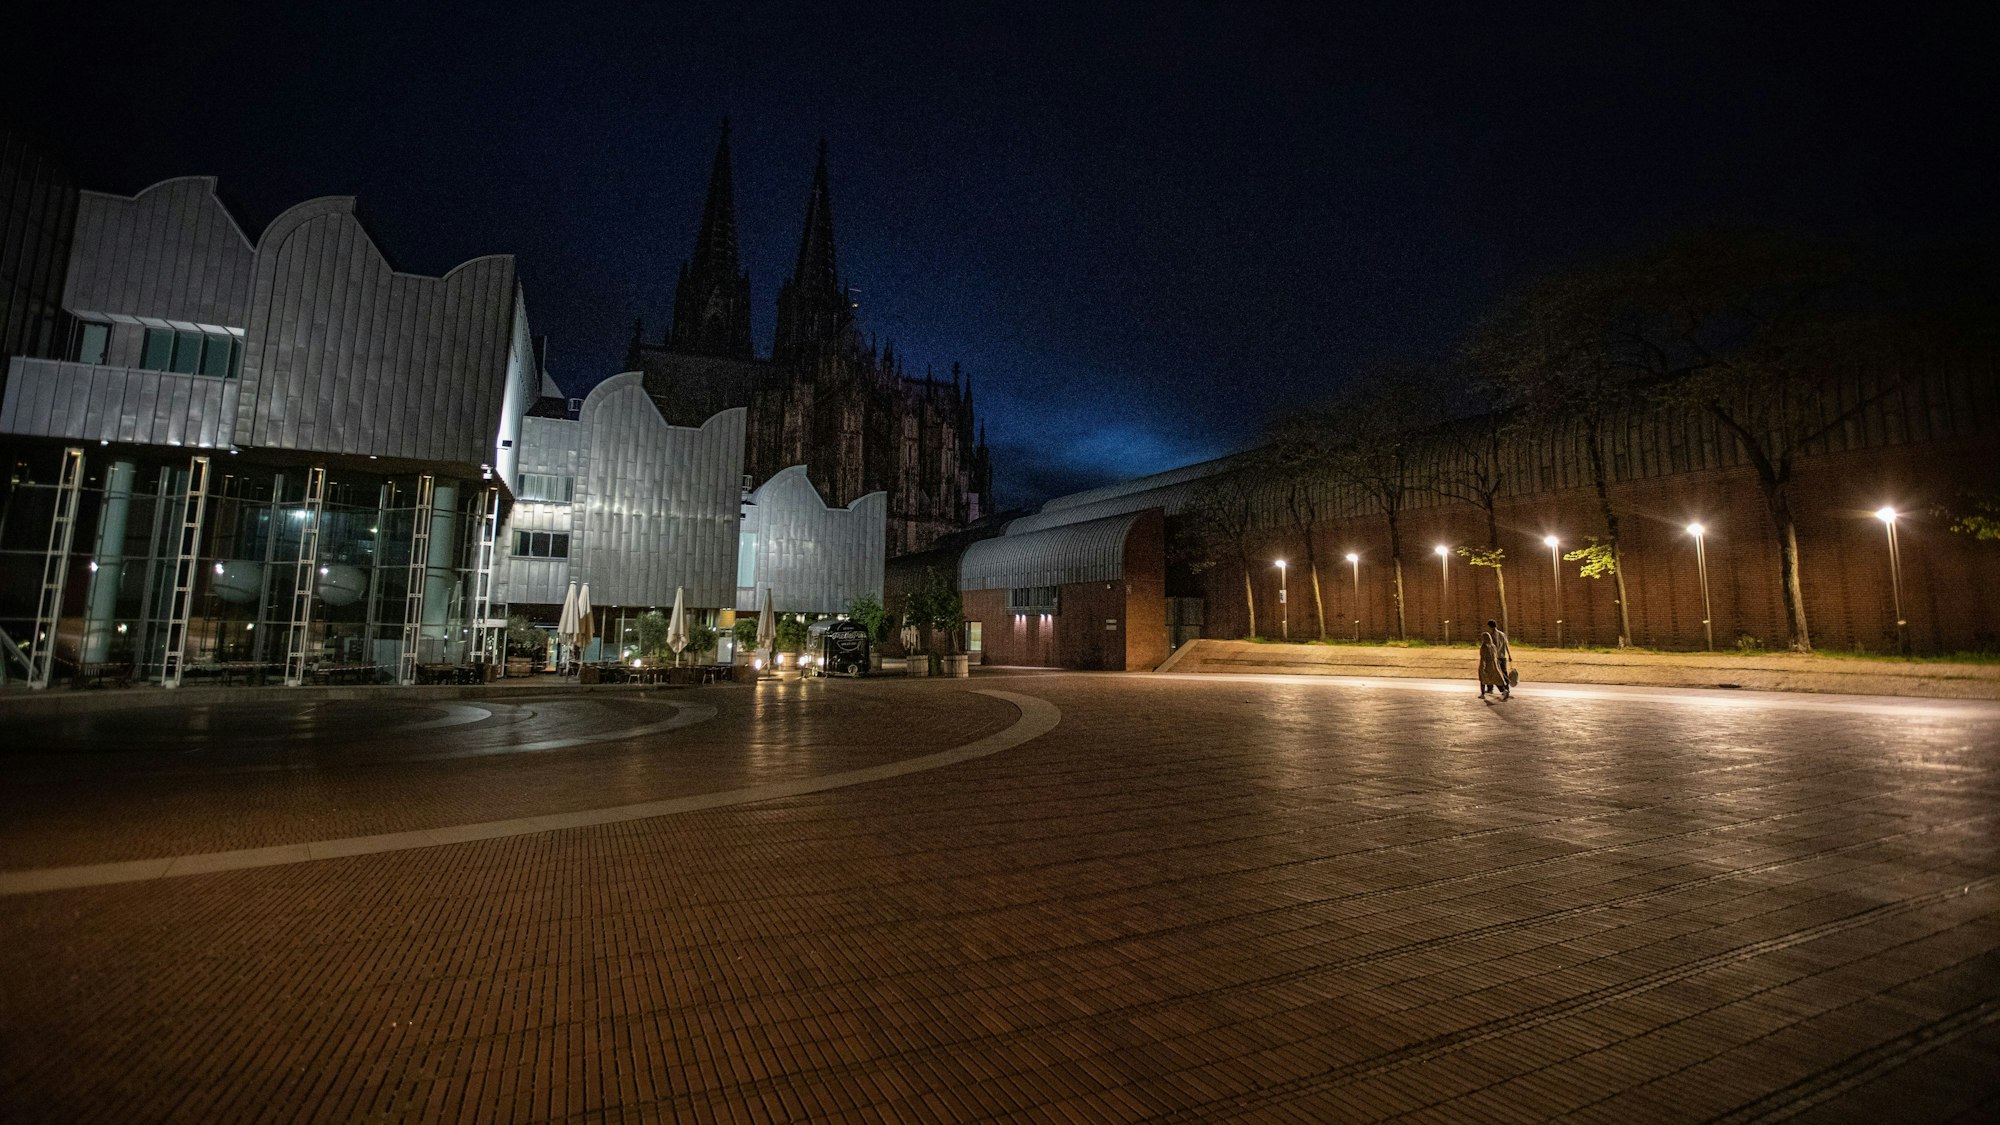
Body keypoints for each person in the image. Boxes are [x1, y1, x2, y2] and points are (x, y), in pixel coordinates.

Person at [1487, 618, 1513, 699]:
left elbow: (1495, 647)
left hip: (1496, 657)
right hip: (1503, 656)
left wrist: (1495, 657)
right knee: (1504, 672)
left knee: (1492, 672)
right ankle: (1507, 688)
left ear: (1489, 626)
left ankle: (1490, 688)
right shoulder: (1502, 634)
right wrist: (1509, 655)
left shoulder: (1491, 636)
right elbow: (1506, 645)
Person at [1478, 630, 1506, 699]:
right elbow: (1495, 656)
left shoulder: (1484, 647)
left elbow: (1483, 658)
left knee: (1482, 679)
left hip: (1487, 665)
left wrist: (1482, 667)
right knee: (1496, 679)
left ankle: (1482, 694)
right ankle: (1504, 691)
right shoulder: (1493, 646)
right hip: (1494, 665)